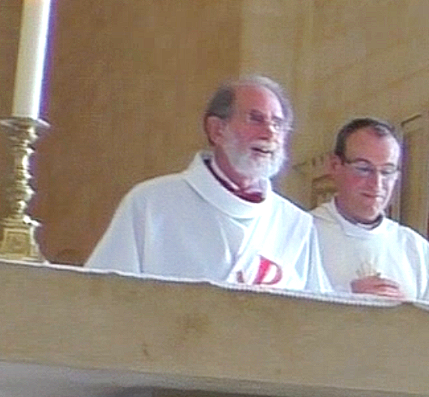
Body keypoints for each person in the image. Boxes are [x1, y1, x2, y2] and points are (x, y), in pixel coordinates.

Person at [86, 76, 329, 290]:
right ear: (217, 130)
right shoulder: (151, 205)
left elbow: (318, 318)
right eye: (255, 119)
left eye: (278, 124)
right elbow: (104, 299)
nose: (270, 134)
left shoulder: (295, 225)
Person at [308, 118, 429, 304]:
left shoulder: (414, 248)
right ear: (335, 166)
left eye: (387, 172)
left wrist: (408, 313)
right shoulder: (304, 234)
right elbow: (281, 312)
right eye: (364, 169)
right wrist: (345, 299)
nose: (376, 183)